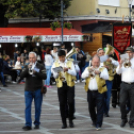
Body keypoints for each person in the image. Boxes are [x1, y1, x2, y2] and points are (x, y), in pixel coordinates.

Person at [19, 52, 46, 131]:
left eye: (33, 58)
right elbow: (21, 76)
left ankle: (37, 123)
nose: (31, 59)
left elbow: (44, 76)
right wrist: (27, 69)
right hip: (28, 89)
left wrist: (36, 72)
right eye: (30, 58)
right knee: (27, 107)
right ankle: (28, 124)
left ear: (36, 58)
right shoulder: (26, 66)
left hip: (38, 89)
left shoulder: (40, 66)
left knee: (38, 107)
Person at [82, 55, 109, 131]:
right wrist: (89, 71)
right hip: (90, 92)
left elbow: (107, 77)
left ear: (99, 62)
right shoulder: (88, 68)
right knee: (91, 108)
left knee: (100, 108)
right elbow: (82, 76)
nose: (96, 64)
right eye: (94, 62)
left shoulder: (102, 69)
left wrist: (99, 73)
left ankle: (98, 124)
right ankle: (94, 121)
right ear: (92, 62)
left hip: (99, 91)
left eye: (97, 62)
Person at [51, 50, 76, 129]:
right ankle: (64, 122)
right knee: (62, 103)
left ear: (65, 56)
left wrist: (68, 70)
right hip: (61, 85)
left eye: (63, 57)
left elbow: (74, 73)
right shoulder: (55, 64)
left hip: (70, 84)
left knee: (71, 102)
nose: (61, 58)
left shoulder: (70, 62)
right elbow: (54, 76)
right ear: (58, 57)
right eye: (60, 57)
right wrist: (57, 72)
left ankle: (71, 119)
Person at [97, 47, 118, 117]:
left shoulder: (109, 58)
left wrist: (111, 61)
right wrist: (103, 66)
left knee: (107, 97)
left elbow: (118, 64)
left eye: (103, 52)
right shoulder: (96, 60)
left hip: (109, 80)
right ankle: (101, 111)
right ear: (98, 54)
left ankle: (106, 111)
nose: (102, 54)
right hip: (99, 80)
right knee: (100, 97)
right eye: (100, 53)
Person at [116, 47, 134, 128]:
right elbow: (117, 72)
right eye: (127, 52)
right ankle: (124, 119)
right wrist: (120, 64)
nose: (128, 54)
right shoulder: (123, 61)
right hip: (124, 84)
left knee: (133, 104)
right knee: (122, 102)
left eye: (130, 52)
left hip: (133, 85)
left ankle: (132, 121)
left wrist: (130, 64)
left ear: (133, 53)